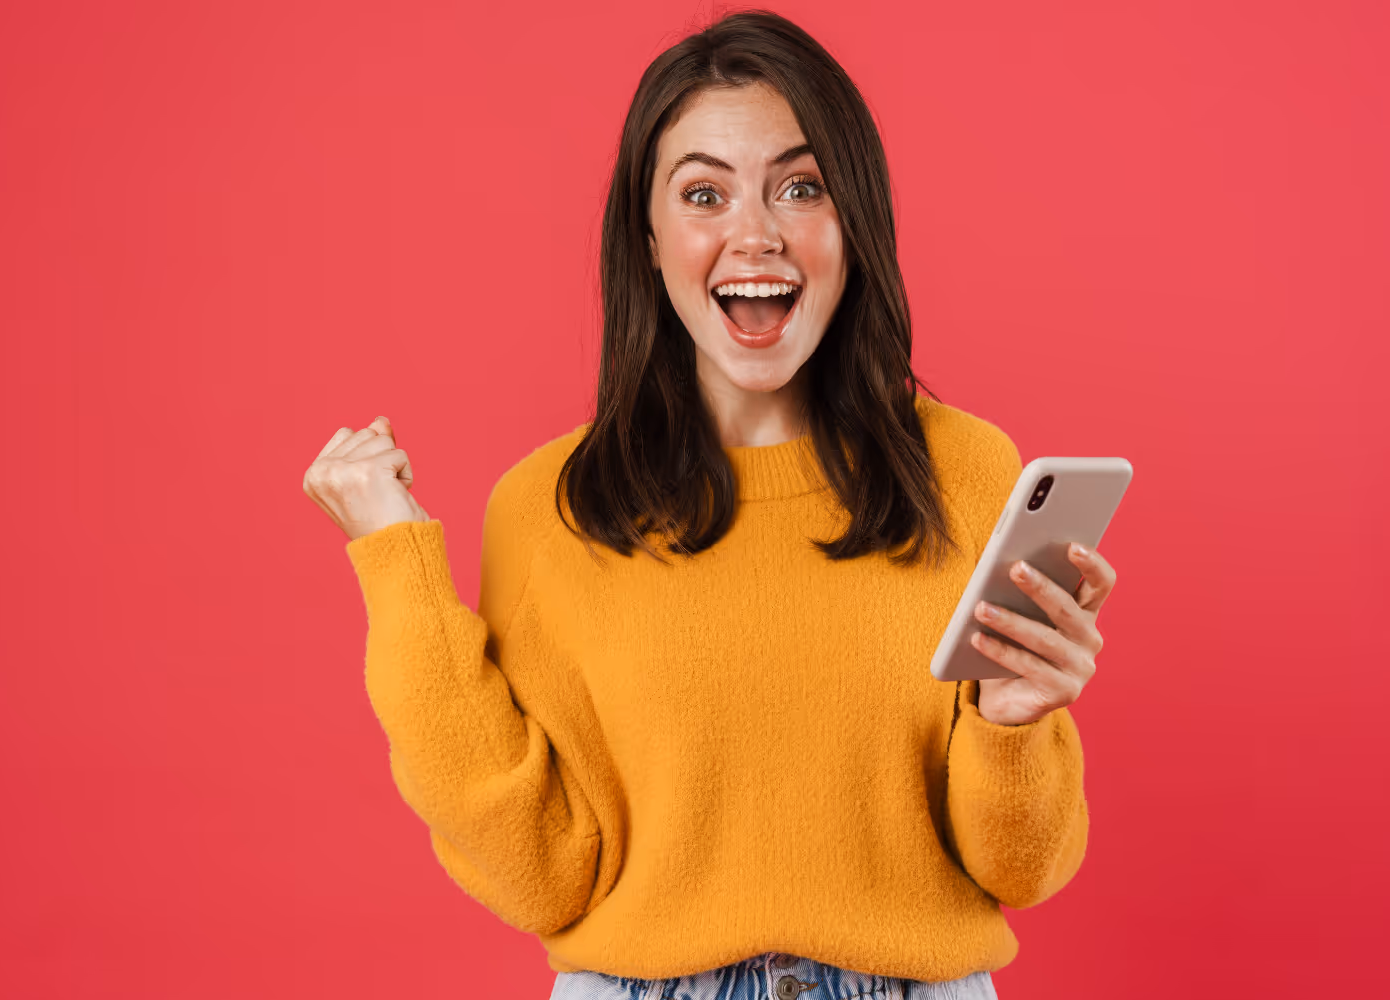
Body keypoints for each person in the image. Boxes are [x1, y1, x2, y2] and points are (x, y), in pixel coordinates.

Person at [302, 10, 1116, 1000]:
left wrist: (1014, 721)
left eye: (800, 187)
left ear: (852, 223)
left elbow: (1019, 869)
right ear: (647, 240)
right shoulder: (550, 506)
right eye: (703, 194)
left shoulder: (965, 473)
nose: (755, 234)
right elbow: (540, 869)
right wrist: (394, 557)